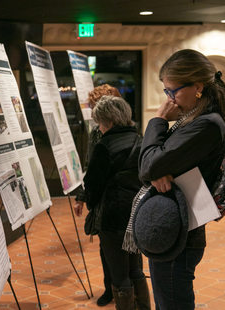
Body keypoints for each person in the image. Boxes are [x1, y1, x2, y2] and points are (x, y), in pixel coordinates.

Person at [137, 49, 225, 309]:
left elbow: (147, 167)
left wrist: (156, 121)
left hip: (180, 232)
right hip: (173, 225)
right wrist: (157, 167)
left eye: (173, 91)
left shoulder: (207, 124)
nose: (169, 100)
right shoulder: (191, 119)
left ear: (198, 87)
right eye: (166, 92)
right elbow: (147, 162)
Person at [83, 95, 150, 310]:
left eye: (100, 123)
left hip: (112, 218)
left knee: (119, 274)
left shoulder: (104, 146)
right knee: (136, 269)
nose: (99, 128)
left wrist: (91, 204)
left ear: (109, 122)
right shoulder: (140, 140)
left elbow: (92, 184)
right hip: (137, 213)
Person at [74, 84, 122, 307]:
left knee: (127, 249)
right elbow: (90, 167)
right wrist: (83, 197)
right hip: (103, 200)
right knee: (107, 248)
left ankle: (124, 290)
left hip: (123, 197)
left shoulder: (130, 131)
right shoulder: (96, 132)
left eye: (96, 108)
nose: (93, 114)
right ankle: (110, 289)